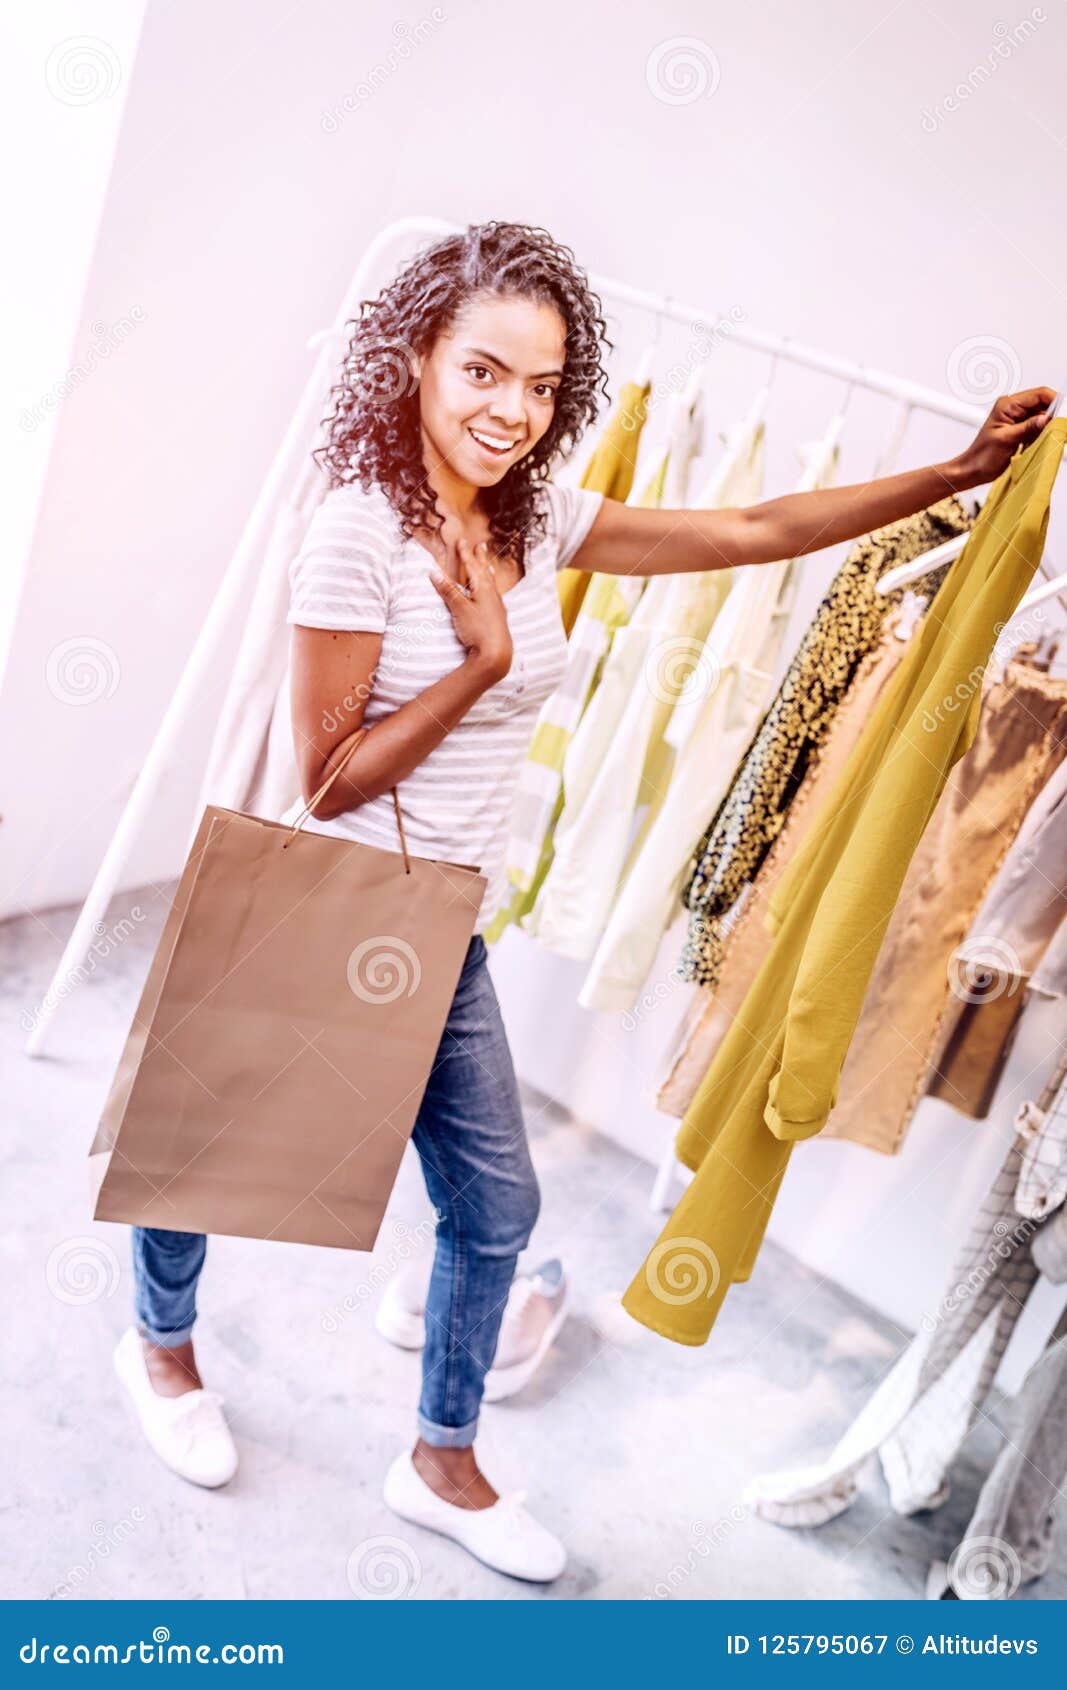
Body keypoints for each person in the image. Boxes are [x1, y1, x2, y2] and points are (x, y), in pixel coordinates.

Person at [113, 218, 1055, 1584]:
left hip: (445, 921)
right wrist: (480, 663)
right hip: (323, 894)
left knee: (495, 1208)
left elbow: (749, 524)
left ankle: (441, 1454)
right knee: (208, 1156)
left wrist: (955, 470)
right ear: (419, 355)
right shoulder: (356, 530)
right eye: (485, 372)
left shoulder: (533, 513)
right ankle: (160, 1345)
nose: (513, 411)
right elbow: (325, 776)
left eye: (545, 387)